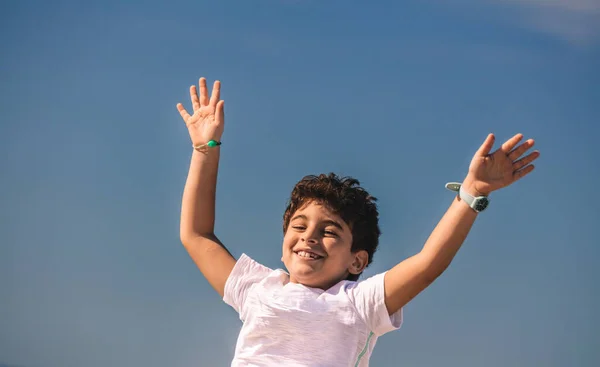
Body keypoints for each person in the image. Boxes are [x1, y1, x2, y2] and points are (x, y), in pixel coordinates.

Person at [176, 77, 540, 366]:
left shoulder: (358, 303)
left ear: (357, 260)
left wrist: (472, 192)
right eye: (299, 226)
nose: (309, 238)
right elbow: (196, 235)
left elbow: (429, 264)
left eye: (329, 231)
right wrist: (204, 149)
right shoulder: (259, 289)